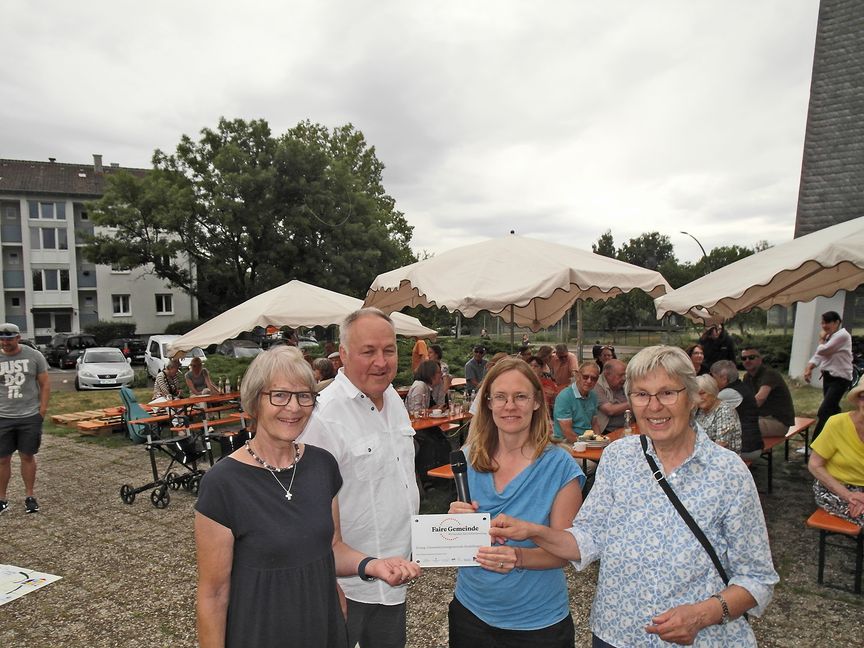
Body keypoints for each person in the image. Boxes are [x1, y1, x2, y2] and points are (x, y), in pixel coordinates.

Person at [490, 345, 778, 647]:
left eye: (668, 393)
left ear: (692, 397)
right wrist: (533, 532)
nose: (654, 406)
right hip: (617, 633)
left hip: (700, 640)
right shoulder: (618, 457)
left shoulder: (728, 473)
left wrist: (701, 615)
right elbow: (589, 536)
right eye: (641, 394)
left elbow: (756, 578)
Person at [195, 346, 419, 648]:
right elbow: (213, 594)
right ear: (254, 401)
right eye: (279, 395)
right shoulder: (223, 483)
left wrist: (372, 564)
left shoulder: (322, 465)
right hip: (261, 632)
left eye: (304, 396)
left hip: (323, 625)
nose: (294, 407)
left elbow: (332, 547)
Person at [301, 308, 420, 648]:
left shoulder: (394, 400)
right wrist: (327, 583)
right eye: (369, 351)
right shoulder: (323, 416)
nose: (381, 362)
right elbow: (308, 513)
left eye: (389, 350)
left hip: (395, 579)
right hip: (348, 587)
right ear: (343, 356)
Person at [447, 357, 584, 647]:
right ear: (488, 403)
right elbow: (461, 542)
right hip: (470, 613)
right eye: (500, 397)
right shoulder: (469, 457)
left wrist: (519, 557)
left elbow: (567, 550)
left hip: (537, 623)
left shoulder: (560, 466)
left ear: (536, 402)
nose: (510, 406)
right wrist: (453, 523)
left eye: (520, 396)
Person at [0, 323, 50, 515]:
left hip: (29, 416)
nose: (5, 342)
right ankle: (2, 499)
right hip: (3, 416)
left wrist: (42, 412)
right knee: (3, 459)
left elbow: (45, 384)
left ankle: (30, 496)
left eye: (9, 338)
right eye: (2, 339)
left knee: (27, 456)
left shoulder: (33, 356)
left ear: (18, 338)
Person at [807, 383, 864, 526]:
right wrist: (849, 496)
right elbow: (814, 465)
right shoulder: (837, 423)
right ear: (857, 400)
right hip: (836, 488)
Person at [803, 310, 853, 439]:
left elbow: (824, 350)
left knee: (824, 411)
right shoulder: (830, 337)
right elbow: (819, 356)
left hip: (840, 379)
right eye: (822, 323)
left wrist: (821, 340)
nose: (824, 326)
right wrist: (809, 367)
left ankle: (815, 444)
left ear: (837, 322)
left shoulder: (843, 335)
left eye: (827, 322)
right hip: (828, 377)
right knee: (833, 411)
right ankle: (840, 437)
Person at [710, 360, 763, 462]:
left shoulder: (728, 394)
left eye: (713, 376)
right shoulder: (740, 387)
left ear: (724, 379)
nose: (711, 380)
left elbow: (709, 416)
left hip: (745, 448)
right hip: (753, 444)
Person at [741, 346, 795, 438]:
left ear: (760, 359)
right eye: (744, 358)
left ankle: (751, 452)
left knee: (738, 427)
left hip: (778, 422)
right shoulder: (747, 377)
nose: (747, 360)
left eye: (751, 357)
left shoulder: (769, 374)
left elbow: (760, 398)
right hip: (762, 417)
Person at [553, 361, 601, 443]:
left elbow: (594, 424)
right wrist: (588, 446)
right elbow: (567, 432)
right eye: (585, 377)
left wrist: (600, 442)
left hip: (587, 441)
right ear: (578, 376)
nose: (589, 381)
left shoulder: (593, 396)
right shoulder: (564, 397)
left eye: (593, 378)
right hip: (565, 443)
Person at [694, 375, 742, 454]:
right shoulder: (699, 410)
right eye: (695, 395)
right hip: (702, 455)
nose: (699, 398)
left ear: (712, 392)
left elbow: (721, 444)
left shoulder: (725, 411)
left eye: (702, 393)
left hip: (722, 460)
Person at [593, 359, 628, 433]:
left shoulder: (625, 383)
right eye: (621, 375)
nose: (624, 378)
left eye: (625, 375)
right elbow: (610, 410)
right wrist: (633, 402)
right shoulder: (596, 385)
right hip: (607, 431)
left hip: (628, 427)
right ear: (607, 374)